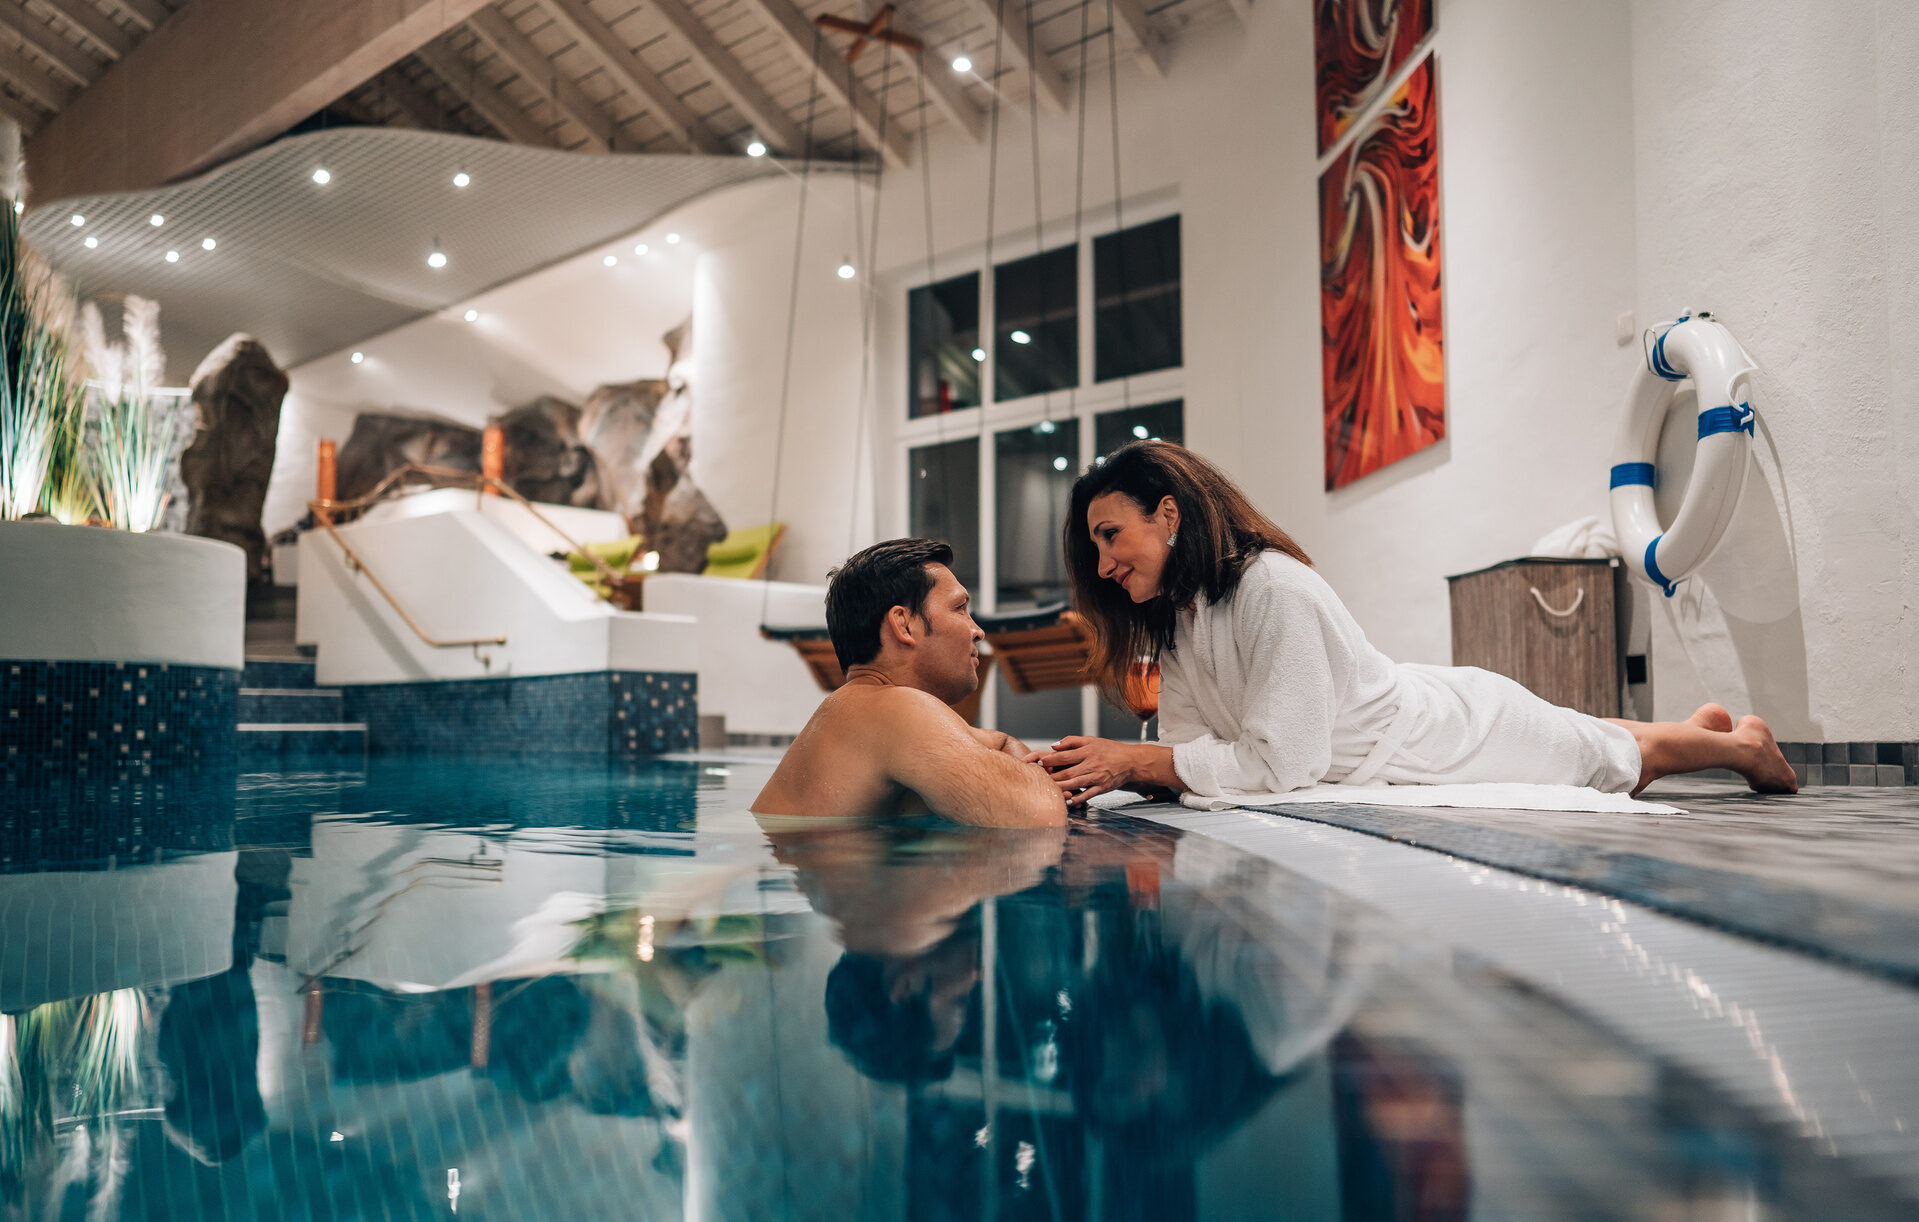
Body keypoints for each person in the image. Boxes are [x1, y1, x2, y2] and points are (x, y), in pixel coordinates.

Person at [1026, 441, 1797, 805]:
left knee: (1611, 762)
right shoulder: (1183, 620)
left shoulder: (1271, 588)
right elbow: (1190, 748)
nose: (1102, 564)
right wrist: (1123, 766)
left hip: (1448, 737)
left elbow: (1281, 764)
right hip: (1419, 727)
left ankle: (1742, 746)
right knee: (1589, 738)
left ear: (1167, 515)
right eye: (1093, 547)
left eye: (1109, 536)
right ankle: (1697, 730)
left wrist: (1133, 762)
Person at [752, 537, 1067, 827]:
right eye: (960, 608)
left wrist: (1017, 765)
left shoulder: (861, 709)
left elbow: (1000, 744)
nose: (977, 631)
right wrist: (1040, 776)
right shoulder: (894, 708)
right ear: (903, 625)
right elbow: (1038, 814)